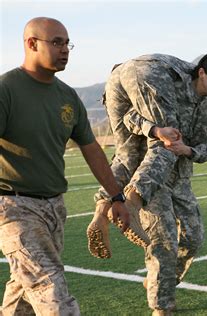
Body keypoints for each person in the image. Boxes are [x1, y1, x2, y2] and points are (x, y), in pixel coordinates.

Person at [0, 17, 130, 315]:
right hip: (13, 207)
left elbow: (93, 150)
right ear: (31, 44)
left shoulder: (67, 96)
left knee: (22, 291)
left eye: (67, 43)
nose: (65, 49)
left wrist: (116, 196)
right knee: (51, 292)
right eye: (56, 42)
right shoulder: (6, 89)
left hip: (54, 207)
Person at [86, 52, 207, 314]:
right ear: (201, 72)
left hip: (180, 179)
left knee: (194, 238)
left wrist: (188, 150)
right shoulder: (166, 82)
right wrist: (156, 131)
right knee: (164, 242)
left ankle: (105, 210)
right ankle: (161, 306)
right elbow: (131, 118)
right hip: (153, 182)